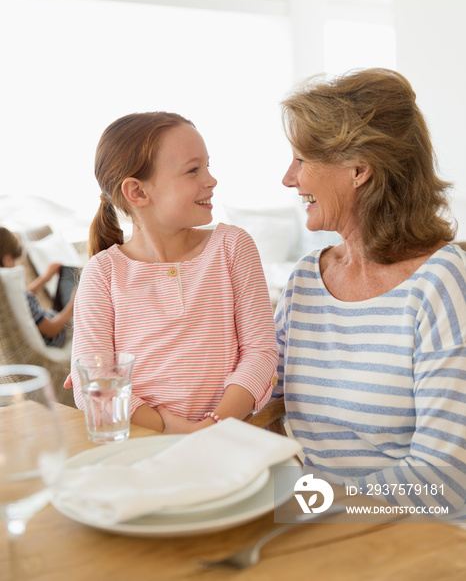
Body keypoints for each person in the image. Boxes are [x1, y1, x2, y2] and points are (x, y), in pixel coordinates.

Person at [273, 67, 466, 519]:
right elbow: (258, 395)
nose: (288, 178)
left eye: (301, 160)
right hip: (320, 526)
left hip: (419, 541)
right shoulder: (305, 282)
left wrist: (306, 501)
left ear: (359, 169)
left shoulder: (442, 283)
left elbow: (446, 480)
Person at [65, 112, 277, 434]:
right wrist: (167, 427)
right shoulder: (103, 273)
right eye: (193, 170)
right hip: (142, 444)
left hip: (228, 437)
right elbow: (92, 382)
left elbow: (260, 353)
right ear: (137, 192)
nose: (211, 179)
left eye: (208, 165)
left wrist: (215, 424)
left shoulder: (233, 247)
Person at [0, 227, 75, 347]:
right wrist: (73, 304)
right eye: (15, 261)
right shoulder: (21, 298)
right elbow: (52, 329)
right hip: (59, 337)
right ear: (7, 260)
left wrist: (45, 278)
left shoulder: (6, 293)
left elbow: (24, 297)